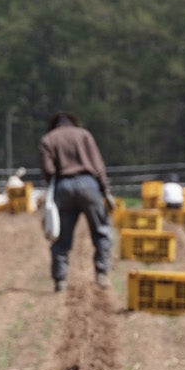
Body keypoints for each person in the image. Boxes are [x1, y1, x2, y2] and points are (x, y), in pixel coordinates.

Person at [38, 112, 115, 290]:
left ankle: (60, 280)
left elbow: (48, 170)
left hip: (63, 187)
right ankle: (102, 273)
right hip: (89, 185)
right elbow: (98, 165)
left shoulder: (48, 140)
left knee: (61, 237)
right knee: (101, 231)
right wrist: (106, 191)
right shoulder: (84, 135)